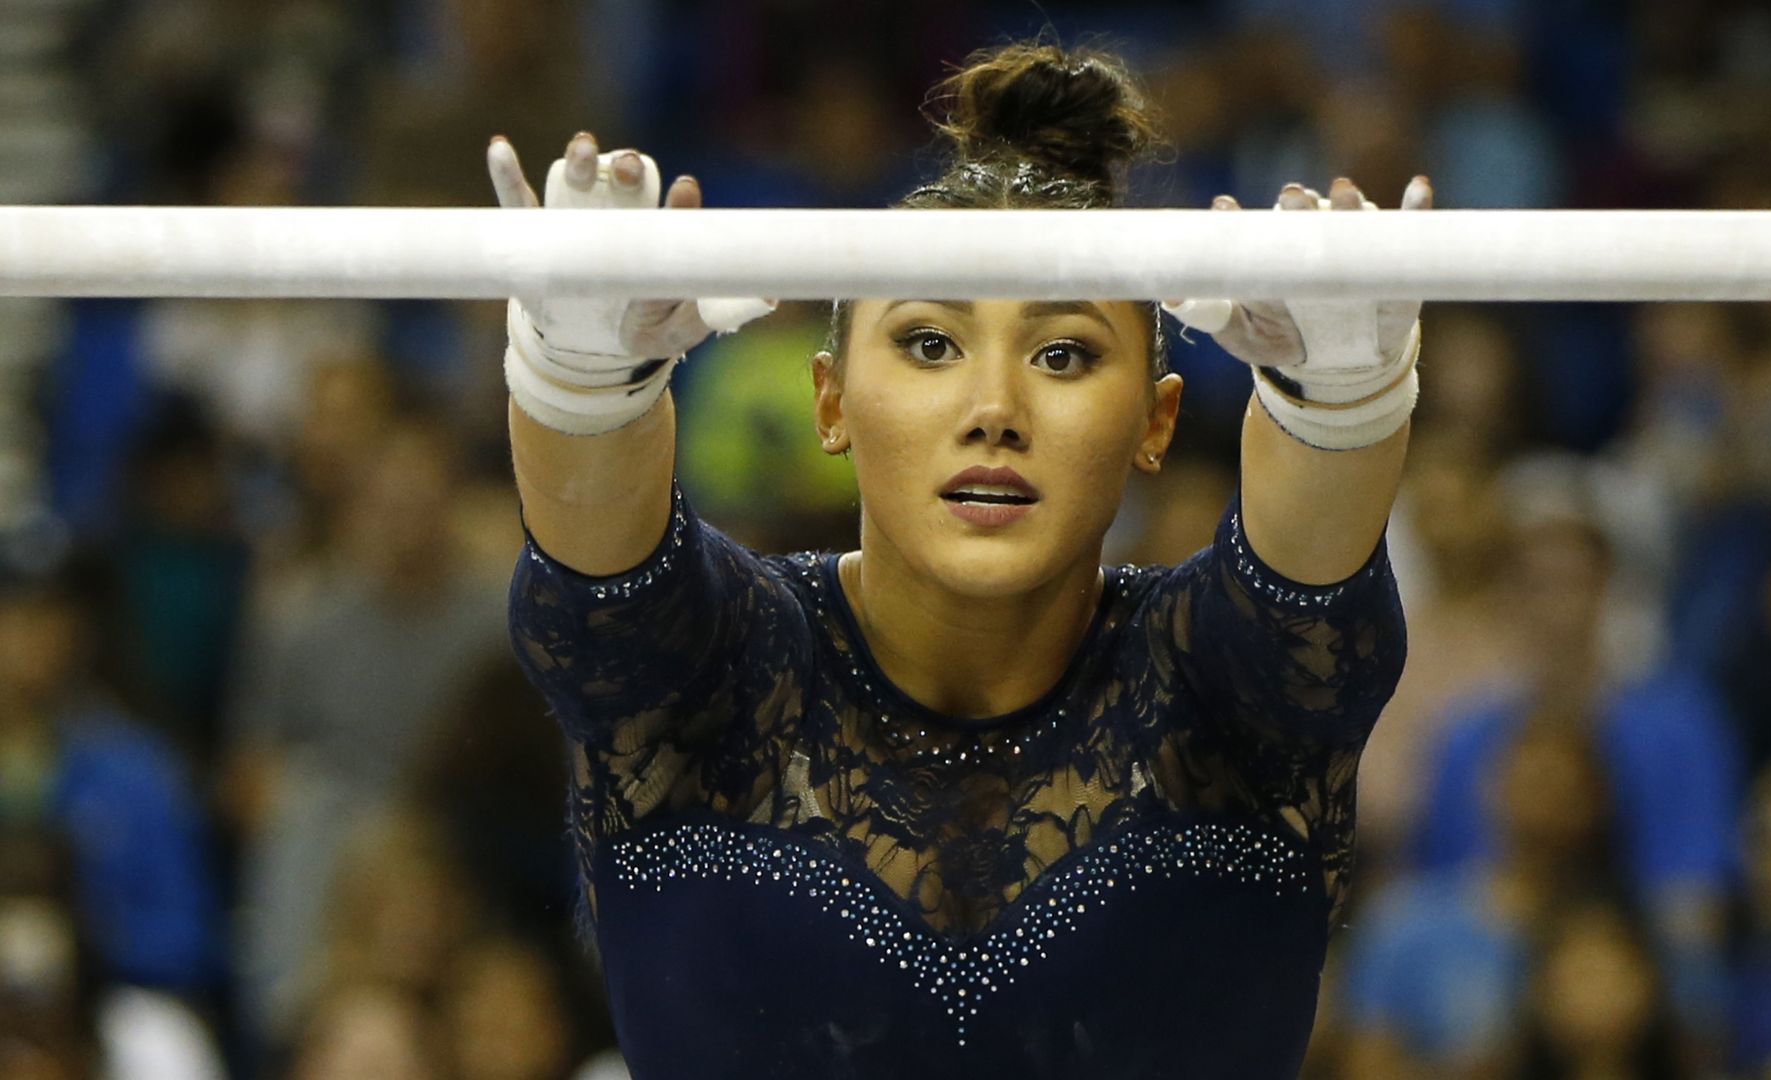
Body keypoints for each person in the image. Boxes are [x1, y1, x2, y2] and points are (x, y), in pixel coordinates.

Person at [498, 40, 1424, 1078]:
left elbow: (1307, 581)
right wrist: (582, 376)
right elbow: (599, 574)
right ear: (832, 399)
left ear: (1156, 421)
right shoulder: (717, 663)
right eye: (931, 344)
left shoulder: (1224, 683)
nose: (995, 411)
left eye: (1063, 354)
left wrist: (1340, 393)